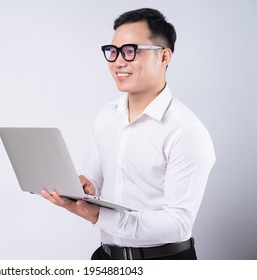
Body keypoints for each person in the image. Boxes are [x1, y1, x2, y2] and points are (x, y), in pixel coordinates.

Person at [41, 8, 215, 260]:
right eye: (113, 52)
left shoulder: (186, 130)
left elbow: (178, 223)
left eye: (130, 51)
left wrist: (101, 216)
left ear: (164, 56)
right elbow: (94, 180)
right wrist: (83, 187)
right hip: (106, 257)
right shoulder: (107, 115)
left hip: (164, 262)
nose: (118, 62)